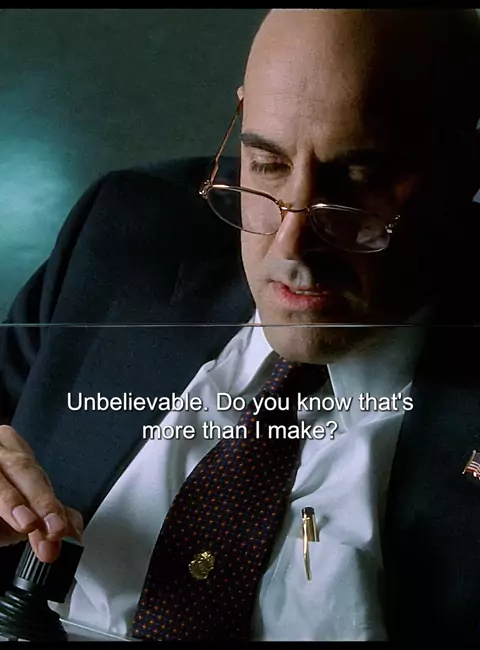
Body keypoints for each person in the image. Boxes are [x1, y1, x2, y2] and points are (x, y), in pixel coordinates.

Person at [1, 8, 480, 642]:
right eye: (267, 164)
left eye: (356, 180)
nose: (292, 242)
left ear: (466, 170)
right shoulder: (126, 232)